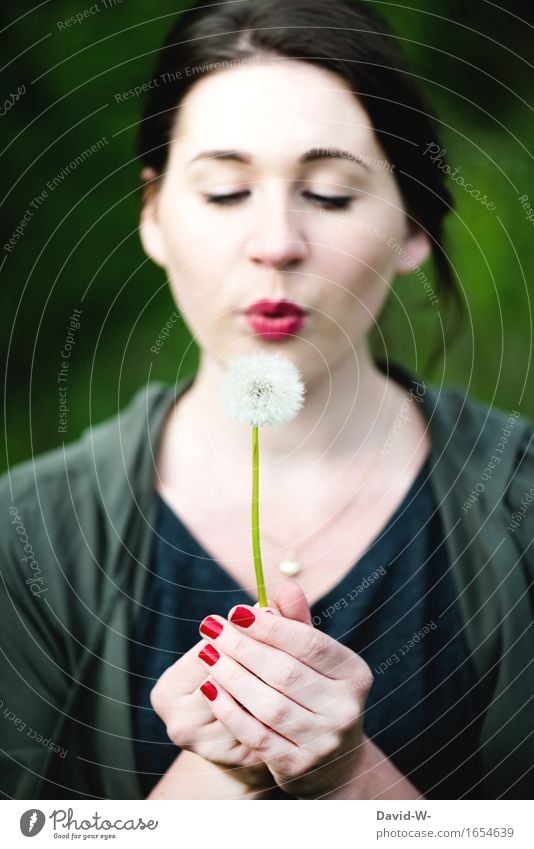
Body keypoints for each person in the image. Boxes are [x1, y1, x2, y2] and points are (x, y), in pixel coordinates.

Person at [1, 0, 533, 801]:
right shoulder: (27, 533)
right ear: (153, 215)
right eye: (223, 192)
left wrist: (346, 773)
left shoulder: (521, 501)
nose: (276, 242)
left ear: (415, 225)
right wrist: (219, 769)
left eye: (328, 193)